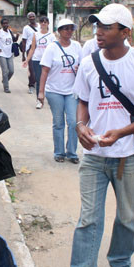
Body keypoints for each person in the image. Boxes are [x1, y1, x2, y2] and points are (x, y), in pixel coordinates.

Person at [55, 4, 134, 267]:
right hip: (93, 157)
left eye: (106, 27)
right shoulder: (89, 63)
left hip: (128, 155)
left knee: (127, 216)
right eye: (96, 26)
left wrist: (121, 132)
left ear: (125, 32)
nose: (98, 31)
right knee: (88, 220)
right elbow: (83, 102)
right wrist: (80, 126)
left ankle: (120, 262)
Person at [38, 18, 82, 164]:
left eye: (71, 28)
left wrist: (79, 69)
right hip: (54, 91)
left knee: (74, 121)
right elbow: (44, 71)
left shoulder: (76, 46)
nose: (68, 31)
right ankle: (59, 152)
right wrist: (41, 92)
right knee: (58, 123)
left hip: (72, 91)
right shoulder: (52, 48)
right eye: (65, 28)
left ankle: (72, 152)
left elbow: (84, 66)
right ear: (59, 31)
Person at [24, 16, 56, 109]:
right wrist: (27, 60)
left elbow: (55, 49)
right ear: (39, 23)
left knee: (49, 81)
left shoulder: (52, 36)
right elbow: (32, 48)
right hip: (37, 60)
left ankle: (51, 99)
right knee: (39, 80)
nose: (43, 23)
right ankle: (39, 100)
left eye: (45, 22)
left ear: (48, 24)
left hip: (49, 60)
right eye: (42, 21)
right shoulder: (36, 35)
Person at [0, 18, 18, 93]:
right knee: (5, 71)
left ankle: (5, 80)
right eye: (4, 23)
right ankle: (6, 88)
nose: (5, 25)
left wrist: (17, 36)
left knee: (11, 71)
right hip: (1, 54)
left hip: (9, 54)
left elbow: (14, 40)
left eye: (6, 23)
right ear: (1, 25)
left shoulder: (9, 31)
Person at [20, 11, 39, 94]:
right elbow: (24, 41)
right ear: (28, 18)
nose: (32, 18)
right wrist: (23, 55)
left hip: (39, 50)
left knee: (39, 68)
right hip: (30, 49)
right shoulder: (26, 28)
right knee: (31, 68)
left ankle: (38, 84)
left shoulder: (40, 26)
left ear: (35, 17)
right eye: (30, 17)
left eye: (33, 16)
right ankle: (31, 85)